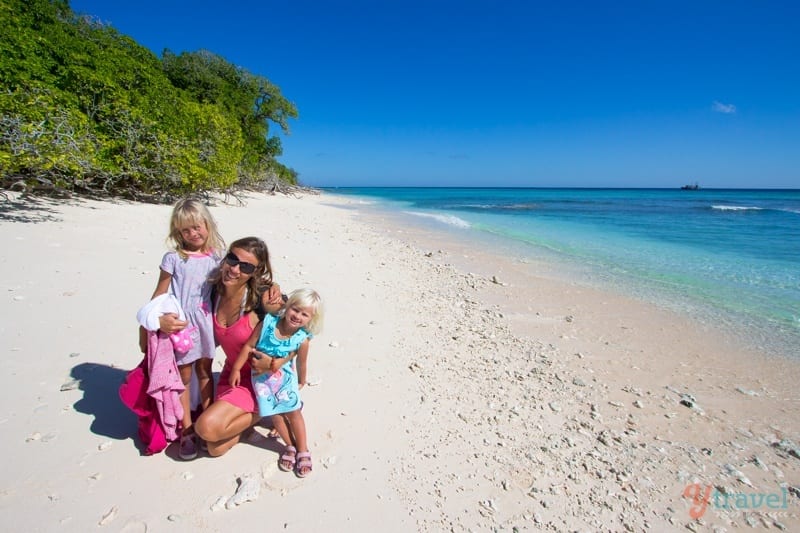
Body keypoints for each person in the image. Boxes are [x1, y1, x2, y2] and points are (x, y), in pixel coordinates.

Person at [142, 197, 225, 460]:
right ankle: (186, 428)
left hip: (205, 319)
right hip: (181, 323)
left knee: (205, 371)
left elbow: (228, 291)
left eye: (197, 226)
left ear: (207, 224)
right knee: (184, 376)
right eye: (186, 230)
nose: (193, 233)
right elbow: (158, 295)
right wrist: (157, 321)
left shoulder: (217, 258)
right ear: (178, 233)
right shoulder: (173, 259)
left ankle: (206, 418)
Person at [191, 237, 284, 457]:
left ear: (255, 271)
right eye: (232, 259)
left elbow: (299, 335)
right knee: (214, 447)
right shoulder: (212, 293)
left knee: (206, 428)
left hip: (258, 380)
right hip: (231, 375)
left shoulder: (261, 302)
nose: (234, 269)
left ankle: (263, 409)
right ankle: (245, 425)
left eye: (245, 267)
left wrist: (275, 363)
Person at [230, 288, 324, 478]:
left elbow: (301, 362)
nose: (297, 316)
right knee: (275, 415)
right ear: (288, 306)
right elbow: (249, 345)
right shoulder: (267, 323)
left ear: (311, 319)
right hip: (262, 382)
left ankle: (303, 449)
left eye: (304, 314)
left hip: (285, 380)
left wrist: (301, 381)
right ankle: (289, 445)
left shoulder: (302, 339)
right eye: (295, 310)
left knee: (294, 413)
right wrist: (236, 369)